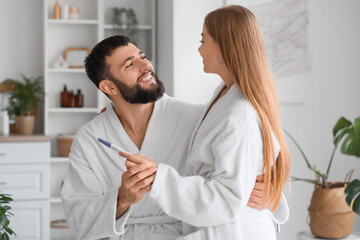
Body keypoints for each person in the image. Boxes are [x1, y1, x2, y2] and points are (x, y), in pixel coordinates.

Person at [60, 35, 289, 240]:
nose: (146, 65)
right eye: (130, 64)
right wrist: (122, 200)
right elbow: (78, 218)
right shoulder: (90, 139)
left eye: (142, 56)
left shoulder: (196, 118)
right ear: (108, 86)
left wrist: (270, 193)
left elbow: (251, 153)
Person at [121, 5, 291, 240]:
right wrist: (118, 107)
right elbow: (179, 111)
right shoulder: (225, 95)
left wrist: (158, 178)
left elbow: (227, 198)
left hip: (235, 230)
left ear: (224, 47)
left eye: (203, 40)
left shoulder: (238, 114)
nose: (199, 49)